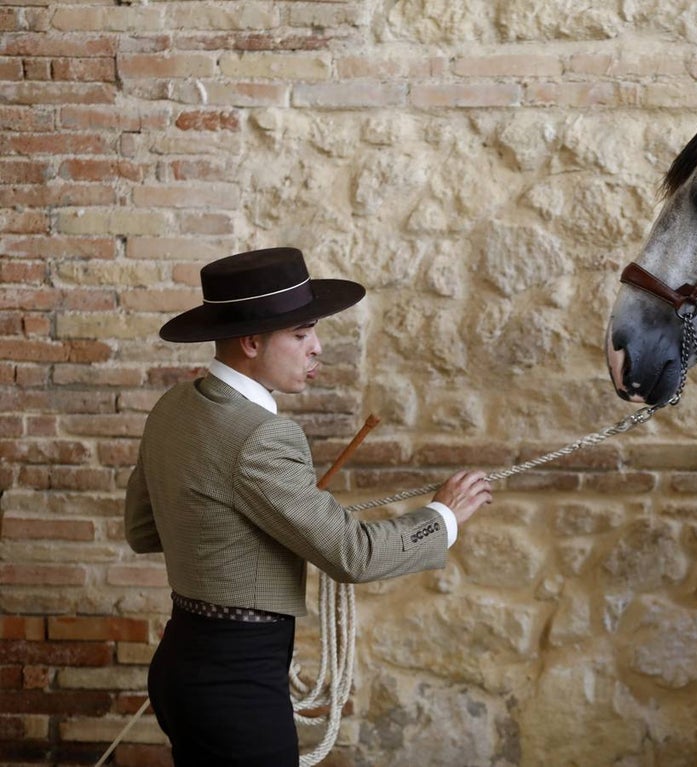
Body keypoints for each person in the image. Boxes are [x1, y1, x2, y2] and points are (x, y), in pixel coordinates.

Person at [123, 247, 493, 766]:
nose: (317, 348)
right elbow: (353, 555)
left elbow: (142, 530)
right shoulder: (263, 436)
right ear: (252, 342)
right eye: (300, 335)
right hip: (236, 684)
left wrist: (237, 530)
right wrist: (444, 517)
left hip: (181, 663)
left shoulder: (173, 406)